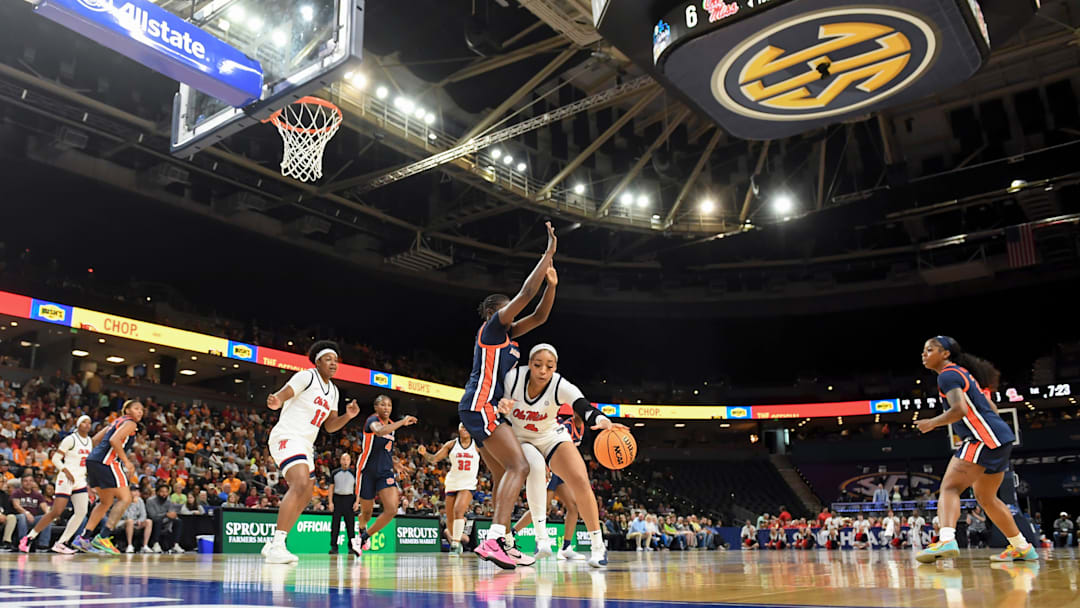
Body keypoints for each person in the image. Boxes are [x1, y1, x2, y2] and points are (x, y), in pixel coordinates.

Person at [458, 221, 558, 570]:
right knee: (520, 464)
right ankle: (495, 539)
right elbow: (525, 297)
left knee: (504, 476)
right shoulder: (491, 329)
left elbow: (540, 314)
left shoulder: (510, 338)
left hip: (485, 410)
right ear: (493, 313)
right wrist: (547, 255)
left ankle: (504, 540)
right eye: (508, 308)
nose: (513, 312)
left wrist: (552, 285)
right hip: (479, 405)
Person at [496, 343, 622, 568]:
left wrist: (602, 420)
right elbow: (497, 403)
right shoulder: (513, 378)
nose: (543, 370)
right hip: (520, 438)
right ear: (529, 364)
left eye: (549, 366)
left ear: (555, 368)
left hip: (549, 435)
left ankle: (597, 546)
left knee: (581, 480)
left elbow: (584, 406)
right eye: (538, 365)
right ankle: (541, 538)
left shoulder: (559, 384)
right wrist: (501, 405)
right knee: (534, 465)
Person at [915, 336, 1037, 564]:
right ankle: (1022, 546)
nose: (924, 354)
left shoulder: (947, 375)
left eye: (929, 350)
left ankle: (947, 539)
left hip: (983, 438)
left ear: (945, 354)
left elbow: (959, 410)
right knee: (987, 497)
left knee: (950, 488)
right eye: (924, 350)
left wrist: (931, 423)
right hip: (1000, 438)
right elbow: (989, 406)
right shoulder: (961, 373)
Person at [262, 341, 360, 564]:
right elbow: (284, 393)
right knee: (299, 483)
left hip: (306, 444)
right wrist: (277, 400)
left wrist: (348, 416)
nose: (333, 364)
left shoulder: (333, 391)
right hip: (287, 436)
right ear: (318, 362)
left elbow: (330, 425)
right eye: (328, 360)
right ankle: (278, 544)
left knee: (307, 492)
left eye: (336, 361)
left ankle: (274, 542)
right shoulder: (307, 376)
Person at [511, 404, 589, 561]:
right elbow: (545, 446)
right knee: (542, 507)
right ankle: (511, 534)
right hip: (550, 467)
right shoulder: (565, 426)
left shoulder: (581, 428)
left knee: (573, 507)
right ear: (574, 413)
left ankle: (566, 548)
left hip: (561, 470)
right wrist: (545, 468)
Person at [73, 400, 143, 554]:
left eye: (142, 410)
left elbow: (95, 440)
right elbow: (114, 440)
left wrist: (95, 457)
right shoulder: (130, 423)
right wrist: (127, 462)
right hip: (108, 462)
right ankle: (103, 537)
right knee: (126, 499)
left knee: (106, 502)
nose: (140, 412)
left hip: (93, 460)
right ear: (127, 411)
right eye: (136, 408)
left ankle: (84, 538)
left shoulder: (114, 422)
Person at [352, 395, 416, 556]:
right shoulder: (372, 421)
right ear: (376, 408)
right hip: (367, 470)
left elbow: (386, 449)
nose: (386, 407)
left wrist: (395, 462)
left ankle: (363, 538)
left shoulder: (391, 427)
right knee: (366, 513)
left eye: (389, 405)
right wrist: (402, 422)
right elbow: (379, 432)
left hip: (385, 472)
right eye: (382, 405)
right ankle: (361, 527)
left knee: (392, 509)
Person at [19, 415, 93, 553]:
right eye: (84, 422)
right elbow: (55, 458)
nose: (87, 425)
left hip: (80, 479)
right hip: (66, 478)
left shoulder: (89, 441)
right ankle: (29, 537)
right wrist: (65, 470)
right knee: (56, 511)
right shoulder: (70, 439)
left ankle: (61, 542)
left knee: (82, 512)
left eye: (89, 423)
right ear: (78, 424)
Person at [418, 423, 480, 556]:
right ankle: (455, 540)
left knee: (459, 510)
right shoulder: (451, 445)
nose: (464, 429)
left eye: (467, 426)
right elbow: (434, 459)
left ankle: (455, 544)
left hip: (468, 484)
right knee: (450, 517)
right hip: (452, 483)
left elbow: (491, 456)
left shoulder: (478, 444)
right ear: (458, 429)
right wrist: (424, 454)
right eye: (462, 427)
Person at [328, 452, 359, 556]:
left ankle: (351, 547)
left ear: (350, 461)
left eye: (347, 459)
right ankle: (334, 547)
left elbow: (358, 489)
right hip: (337, 499)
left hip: (349, 499)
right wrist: (330, 502)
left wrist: (357, 502)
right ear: (340, 461)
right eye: (343, 459)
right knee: (335, 525)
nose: (345, 462)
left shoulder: (354, 473)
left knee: (350, 525)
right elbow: (331, 488)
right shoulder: (334, 473)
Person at [11, 475, 52, 552]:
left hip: (33, 519)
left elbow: (44, 507)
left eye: (30, 481)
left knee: (47, 518)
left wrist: (49, 514)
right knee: (22, 516)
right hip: (18, 518)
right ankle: (23, 542)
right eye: (26, 481)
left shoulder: (37, 494)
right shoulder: (17, 492)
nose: (28, 483)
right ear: (22, 482)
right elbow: (16, 506)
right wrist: (26, 513)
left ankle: (43, 545)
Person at [120, 487, 153, 553]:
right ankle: (130, 545)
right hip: (122, 522)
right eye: (134, 491)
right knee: (130, 521)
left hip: (135, 522)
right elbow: (124, 516)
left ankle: (145, 545)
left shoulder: (140, 500)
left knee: (149, 521)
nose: (136, 493)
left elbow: (143, 514)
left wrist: (140, 520)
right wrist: (130, 503)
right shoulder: (122, 500)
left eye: (136, 491)